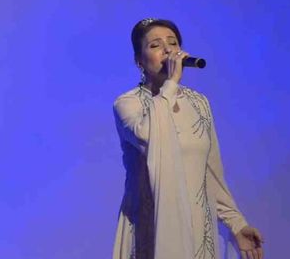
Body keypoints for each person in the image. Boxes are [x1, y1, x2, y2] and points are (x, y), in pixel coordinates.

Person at [112, 18, 264, 259]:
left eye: (173, 43)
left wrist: (237, 224)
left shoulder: (199, 103)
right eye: (155, 45)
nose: (167, 50)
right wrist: (171, 84)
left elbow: (210, 173)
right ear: (139, 60)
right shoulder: (128, 104)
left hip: (197, 228)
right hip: (152, 228)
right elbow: (151, 138)